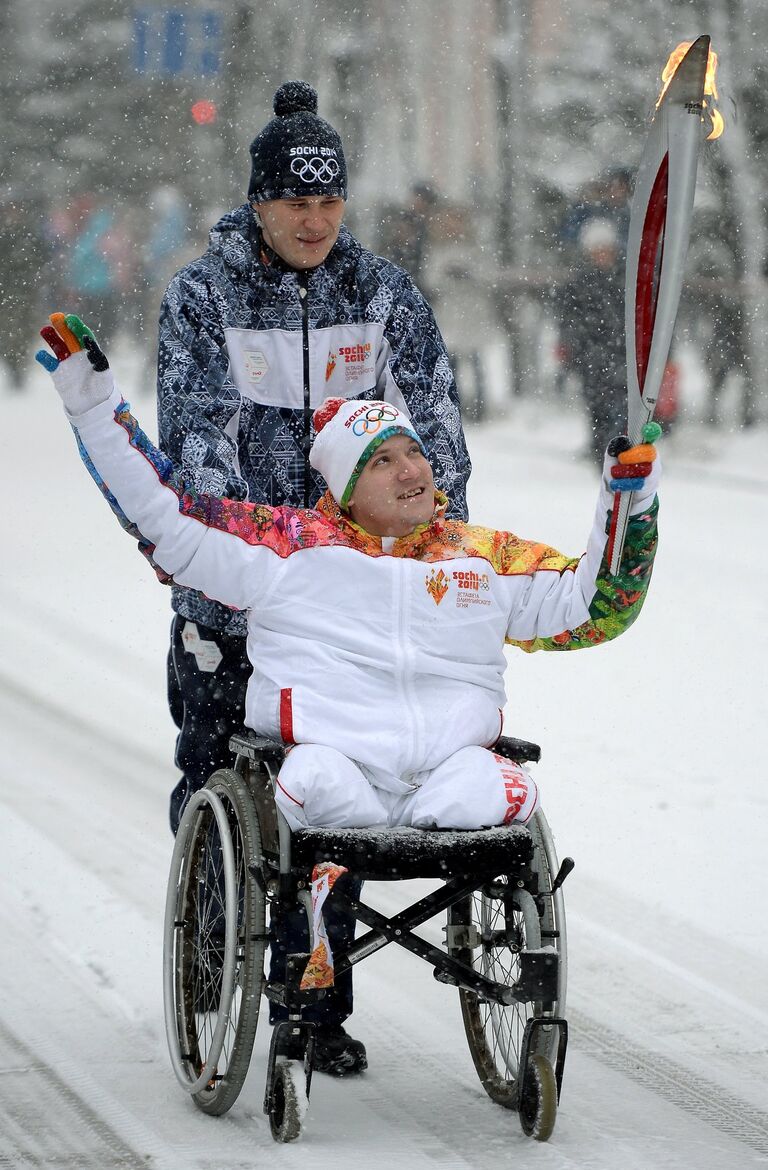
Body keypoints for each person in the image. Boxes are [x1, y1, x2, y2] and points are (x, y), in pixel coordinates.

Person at [38, 315, 660, 880]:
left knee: (497, 788)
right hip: (337, 772)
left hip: (451, 773)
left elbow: (597, 603)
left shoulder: (480, 558)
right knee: (313, 781)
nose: (412, 470)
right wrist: (95, 408)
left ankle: (433, 807)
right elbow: (166, 518)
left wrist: (629, 500)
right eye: (383, 461)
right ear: (346, 487)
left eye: (414, 452)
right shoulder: (287, 551)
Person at [154, 80, 471, 1074]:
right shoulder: (204, 301)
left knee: (338, 798)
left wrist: (429, 540)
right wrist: (237, 571)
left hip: (353, 599)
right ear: (258, 202)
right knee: (217, 775)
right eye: (294, 202)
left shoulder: (383, 297)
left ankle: (315, 999)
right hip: (240, 593)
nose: (313, 219)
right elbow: (195, 447)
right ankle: (211, 940)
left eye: (328, 203)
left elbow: (437, 434)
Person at [556, 217, 626, 461]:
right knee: (597, 408)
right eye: (597, 250)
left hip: (619, 356)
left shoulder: (624, 279)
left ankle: (617, 450)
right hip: (591, 357)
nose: (602, 255)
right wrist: (574, 348)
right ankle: (600, 450)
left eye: (606, 249)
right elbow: (568, 318)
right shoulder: (578, 282)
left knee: (621, 407)